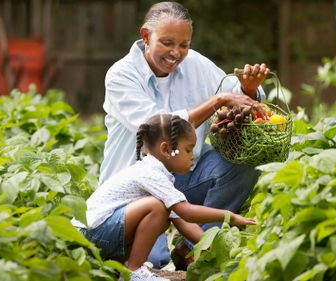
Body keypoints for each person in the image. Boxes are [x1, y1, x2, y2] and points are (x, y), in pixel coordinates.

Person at [100, 1, 270, 269]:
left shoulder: (196, 64)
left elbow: (234, 91)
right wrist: (216, 101)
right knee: (152, 261)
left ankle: (192, 251)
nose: (176, 53)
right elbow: (157, 127)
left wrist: (248, 90)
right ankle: (123, 249)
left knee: (241, 164)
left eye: (183, 45)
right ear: (146, 36)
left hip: (183, 175)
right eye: (167, 43)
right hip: (136, 190)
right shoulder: (121, 76)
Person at [71, 114, 256, 281]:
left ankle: (120, 271)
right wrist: (228, 216)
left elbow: (185, 224)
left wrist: (220, 253)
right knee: (157, 207)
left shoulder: (161, 177)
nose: (193, 156)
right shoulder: (150, 173)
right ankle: (135, 272)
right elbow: (188, 213)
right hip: (88, 234)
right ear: (166, 149)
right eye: (188, 150)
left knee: (163, 211)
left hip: (97, 235)